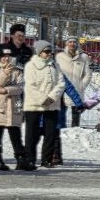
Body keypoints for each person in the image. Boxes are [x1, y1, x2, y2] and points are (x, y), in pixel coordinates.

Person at [22, 41, 66, 170]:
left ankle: (46, 159)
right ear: (39, 52)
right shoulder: (31, 66)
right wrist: (43, 100)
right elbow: (30, 86)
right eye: (46, 52)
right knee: (32, 133)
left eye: (50, 52)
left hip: (52, 105)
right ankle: (29, 159)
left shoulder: (55, 66)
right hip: (34, 104)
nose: (49, 54)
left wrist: (51, 98)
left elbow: (61, 83)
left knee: (50, 133)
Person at [0, 45, 26, 171]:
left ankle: (20, 159)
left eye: (8, 56)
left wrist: (6, 90)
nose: (6, 59)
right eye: (3, 56)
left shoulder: (18, 68)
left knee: (15, 133)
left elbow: (20, 86)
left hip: (14, 105)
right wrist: (6, 72)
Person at [55, 37, 93, 128]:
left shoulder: (84, 57)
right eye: (70, 42)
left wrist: (81, 85)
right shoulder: (59, 57)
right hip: (63, 91)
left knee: (76, 120)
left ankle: (75, 133)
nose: (72, 44)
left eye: (74, 42)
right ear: (66, 44)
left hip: (77, 90)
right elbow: (56, 72)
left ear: (77, 44)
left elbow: (88, 74)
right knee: (60, 117)